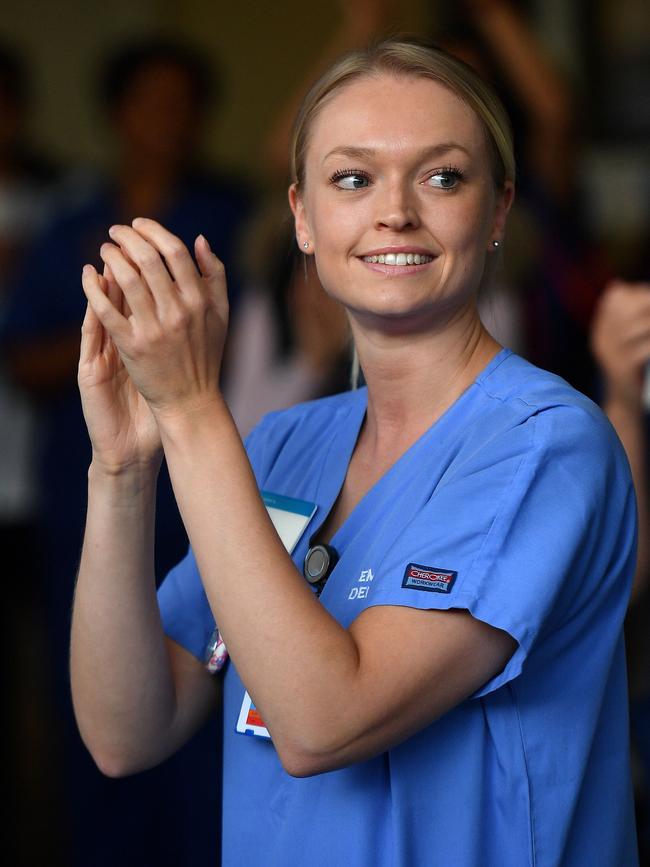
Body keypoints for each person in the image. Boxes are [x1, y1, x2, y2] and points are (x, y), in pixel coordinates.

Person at [70, 40, 639, 866]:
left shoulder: (547, 443)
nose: (395, 212)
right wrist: (121, 470)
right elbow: (127, 730)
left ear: (500, 211)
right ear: (302, 217)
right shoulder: (286, 444)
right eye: (352, 178)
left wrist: (192, 408)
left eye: (442, 176)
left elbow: (324, 720)